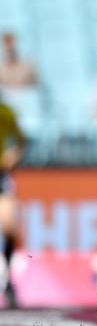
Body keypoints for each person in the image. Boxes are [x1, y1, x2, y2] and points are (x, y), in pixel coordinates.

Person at [0, 100, 26, 308]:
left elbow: (20, 141)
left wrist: (13, 155)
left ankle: (8, 282)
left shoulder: (6, 111)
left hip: (1, 175)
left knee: (9, 226)